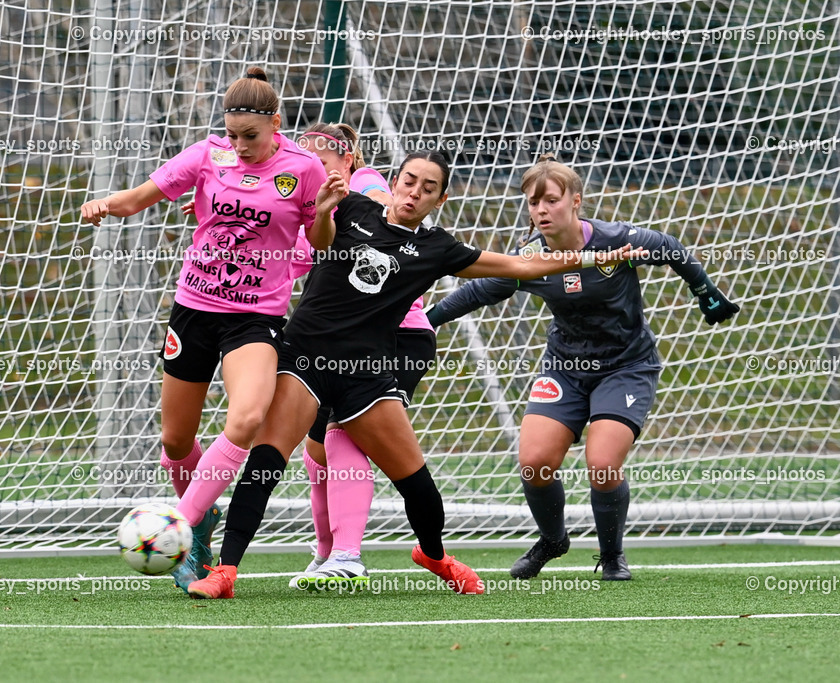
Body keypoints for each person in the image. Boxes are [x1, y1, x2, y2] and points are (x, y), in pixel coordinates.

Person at [184, 150, 646, 599]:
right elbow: (302, 227)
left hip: (367, 375)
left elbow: (522, 265)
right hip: (305, 360)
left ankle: (434, 556)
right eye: (409, 182)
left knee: (418, 486)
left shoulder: (437, 247)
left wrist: (589, 259)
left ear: (439, 200)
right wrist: (216, 206)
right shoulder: (352, 208)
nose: (414, 193)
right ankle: (225, 571)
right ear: (394, 181)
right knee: (265, 463)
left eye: (428, 189)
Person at [426, 155, 739, 580]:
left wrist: (706, 292)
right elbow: (479, 291)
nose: (540, 211)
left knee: (604, 464)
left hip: (626, 367)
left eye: (550, 200)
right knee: (534, 463)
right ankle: (553, 540)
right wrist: (424, 321)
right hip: (565, 368)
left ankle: (612, 557)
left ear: (576, 201)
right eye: (533, 203)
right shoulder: (530, 258)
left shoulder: (616, 240)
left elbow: (670, 247)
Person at [80, 67, 328, 592]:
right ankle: (205, 516)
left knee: (247, 416)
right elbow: (140, 196)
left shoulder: (303, 169)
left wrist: (325, 211)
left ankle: (183, 527)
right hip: (194, 310)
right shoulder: (206, 155)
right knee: (175, 440)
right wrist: (105, 205)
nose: (239, 145)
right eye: (232, 134)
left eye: (251, 137)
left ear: (276, 124)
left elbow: (321, 242)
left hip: (255, 319)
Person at [291, 123, 439, 588]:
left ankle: (349, 557)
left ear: (348, 160)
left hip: (397, 336)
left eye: (321, 162)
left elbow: (383, 219)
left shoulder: (367, 186)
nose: (311, 170)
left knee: (342, 435)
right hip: (338, 340)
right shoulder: (313, 207)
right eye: (304, 162)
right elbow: (300, 256)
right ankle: (327, 553)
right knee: (315, 453)